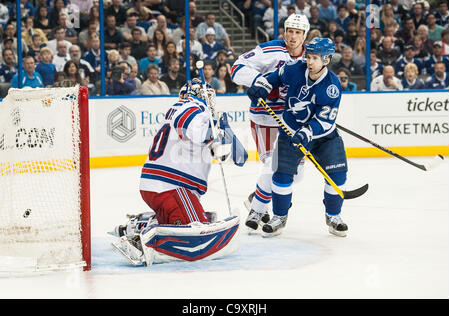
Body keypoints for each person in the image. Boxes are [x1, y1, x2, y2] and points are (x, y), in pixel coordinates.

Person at [108, 79, 239, 266]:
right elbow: (187, 124)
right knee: (197, 228)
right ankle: (139, 239)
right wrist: (212, 134)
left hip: (160, 186)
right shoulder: (191, 107)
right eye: (207, 96)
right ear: (197, 95)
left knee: (199, 219)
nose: (210, 102)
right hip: (172, 188)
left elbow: (228, 154)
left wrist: (220, 138)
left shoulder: (188, 112)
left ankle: (137, 225)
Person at [246, 37, 350, 237]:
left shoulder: (332, 86)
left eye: (315, 58)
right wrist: (263, 87)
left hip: (323, 137)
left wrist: (307, 131)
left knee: (337, 176)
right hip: (291, 130)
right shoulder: (295, 69)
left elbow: (324, 121)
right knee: (281, 175)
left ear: (327, 60)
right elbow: (276, 77)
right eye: (308, 56)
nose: (310, 62)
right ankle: (279, 217)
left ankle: (333, 216)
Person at [231, 14, 309, 231]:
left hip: (293, 120)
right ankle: (257, 209)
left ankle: (258, 197)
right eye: (289, 31)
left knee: (296, 173)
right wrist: (259, 82)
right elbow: (236, 68)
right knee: (273, 166)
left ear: (305, 35)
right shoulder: (269, 50)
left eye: (298, 32)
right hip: (265, 116)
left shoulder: (310, 56)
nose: (292, 36)